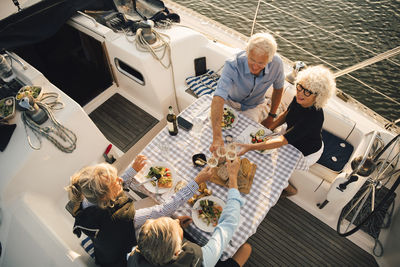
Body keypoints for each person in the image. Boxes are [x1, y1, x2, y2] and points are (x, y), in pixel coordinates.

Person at [66, 155, 213, 267]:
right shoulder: (124, 218)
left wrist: (133, 170)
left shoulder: (87, 200)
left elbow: (109, 188)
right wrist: (196, 182)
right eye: (115, 181)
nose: (120, 180)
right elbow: (164, 210)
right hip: (122, 259)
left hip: (105, 252)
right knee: (161, 211)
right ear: (106, 198)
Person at [127, 158, 252, 267]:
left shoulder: (133, 255)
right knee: (246, 248)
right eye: (175, 225)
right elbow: (228, 224)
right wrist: (233, 179)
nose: (176, 219)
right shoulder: (203, 261)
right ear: (178, 252)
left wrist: (176, 228)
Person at [237, 65, 336, 196]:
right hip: (291, 136)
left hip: (305, 152)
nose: (300, 93)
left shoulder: (313, 118)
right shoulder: (299, 98)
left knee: (274, 169)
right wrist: (268, 128)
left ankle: (289, 190)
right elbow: (286, 114)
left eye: (307, 91)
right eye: (300, 87)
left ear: (318, 96)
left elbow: (283, 141)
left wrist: (251, 146)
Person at [210, 32, 285, 153]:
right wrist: (217, 136)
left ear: (270, 59)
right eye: (252, 60)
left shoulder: (277, 64)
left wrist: (271, 116)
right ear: (247, 52)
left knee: (246, 143)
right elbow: (218, 97)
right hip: (229, 103)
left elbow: (278, 89)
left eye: (261, 63)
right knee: (213, 132)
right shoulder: (232, 64)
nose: (255, 67)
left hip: (254, 107)